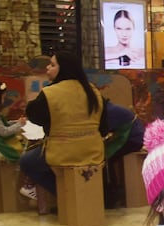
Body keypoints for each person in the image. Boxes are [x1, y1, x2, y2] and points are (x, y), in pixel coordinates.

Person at [20, 51, 107, 213]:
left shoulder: (51, 93)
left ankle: (64, 195)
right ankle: (84, 195)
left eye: (52, 65)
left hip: (62, 152)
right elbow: (104, 124)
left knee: (27, 161)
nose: (48, 67)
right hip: (93, 151)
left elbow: (34, 115)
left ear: (63, 68)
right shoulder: (93, 91)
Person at [102, 99, 145, 208]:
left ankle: (113, 190)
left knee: (108, 158)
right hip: (134, 138)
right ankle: (114, 189)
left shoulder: (110, 111)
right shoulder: (113, 108)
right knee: (109, 155)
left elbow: (104, 130)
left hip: (134, 140)